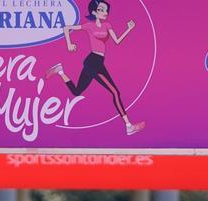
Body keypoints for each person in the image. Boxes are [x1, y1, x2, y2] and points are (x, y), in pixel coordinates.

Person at [47, 0, 145, 136]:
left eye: (106, 10)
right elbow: (66, 28)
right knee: (115, 92)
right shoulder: (89, 26)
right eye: (101, 10)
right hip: (92, 62)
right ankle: (128, 126)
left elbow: (117, 41)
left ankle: (60, 71)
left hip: (98, 62)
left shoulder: (107, 25)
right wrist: (69, 43)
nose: (105, 12)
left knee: (76, 92)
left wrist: (128, 29)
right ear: (94, 12)